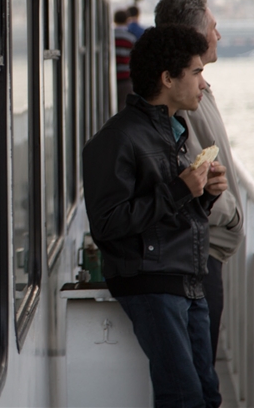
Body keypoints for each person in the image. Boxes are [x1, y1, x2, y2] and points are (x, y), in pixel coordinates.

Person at [82, 25, 227, 408]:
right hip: (153, 282)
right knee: (183, 396)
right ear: (167, 78)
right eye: (196, 72)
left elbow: (165, 212)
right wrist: (181, 190)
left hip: (186, 279)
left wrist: (205, 196)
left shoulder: (172, 131)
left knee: (207, 395)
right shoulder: (117, 138)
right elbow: (107, 224)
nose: (203, 83)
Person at [155, 0, 243, 360]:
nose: (218, 35)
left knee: (199, 367)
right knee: (199, 371)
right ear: (194, 35)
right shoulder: (182, 99)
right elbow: (189, 178)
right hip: (198, 255)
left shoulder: (197, 90)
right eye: (213, 27)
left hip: (204, 250)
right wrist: (232, 213)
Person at [113, 9, 137, 110]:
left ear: (114, 20)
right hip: (125, 78)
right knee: (123, 107)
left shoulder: (110, 37)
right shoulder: (130, 38)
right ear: (127, 20)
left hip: (111, 77)